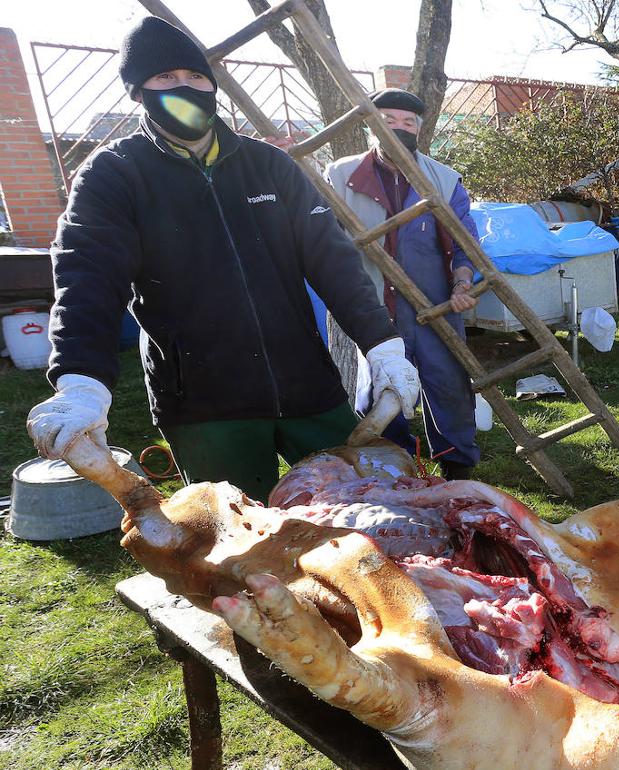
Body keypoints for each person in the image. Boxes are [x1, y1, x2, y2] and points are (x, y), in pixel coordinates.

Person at [25, 17, 421, 500]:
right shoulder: (115, 174)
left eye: (196, 76)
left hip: (306, 385)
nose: (185, 88)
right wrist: (82, 380)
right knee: (236, 533)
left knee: (361, 511)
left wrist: (382, 345)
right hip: (205, 403)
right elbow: (87, 279)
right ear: (138, 91)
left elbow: (332, 260)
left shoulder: (269, 165)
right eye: (165, 78)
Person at [324, 88, 481, 480]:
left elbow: (466, 242)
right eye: (388, 120)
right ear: (369, 126)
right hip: (374, 307)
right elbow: (322, 237)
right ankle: (392, 465)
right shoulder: (339, 176)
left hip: (435, 304)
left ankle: (457, 466)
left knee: (448, 383)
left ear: (419, 129)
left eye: (408, 122)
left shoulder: (444, 180)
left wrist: (463, 283)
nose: (399, 128)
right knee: (381, 387)